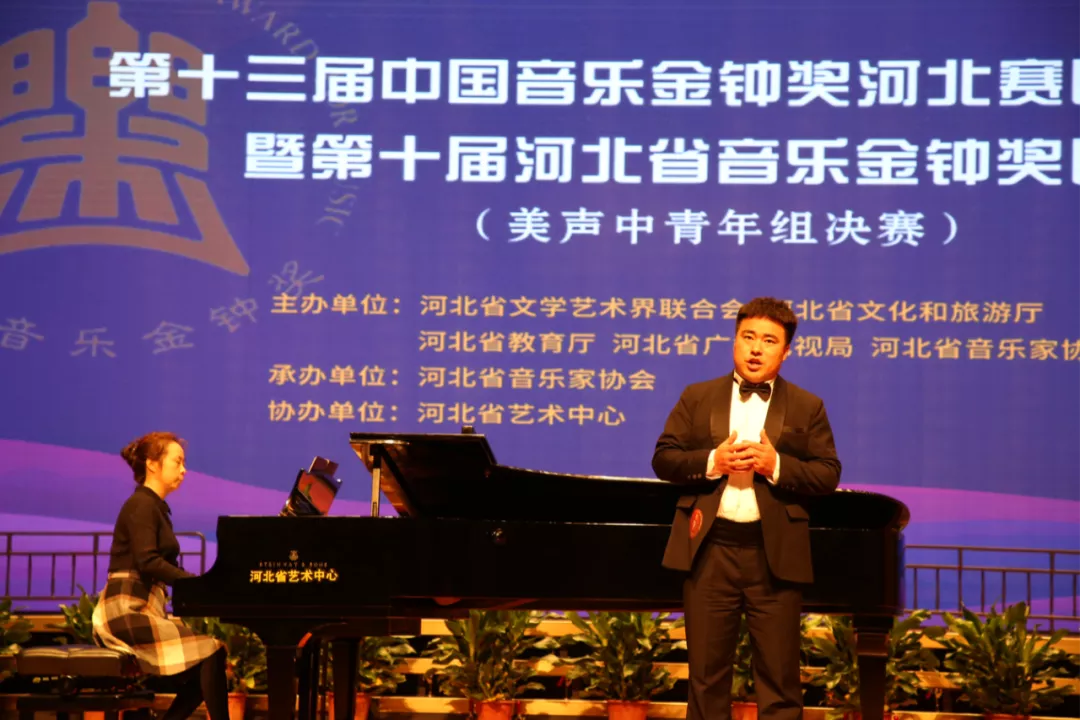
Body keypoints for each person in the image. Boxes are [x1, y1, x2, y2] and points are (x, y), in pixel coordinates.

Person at [652, 297, 841, 720]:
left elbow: (828, 474)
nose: (756, 348)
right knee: (705, 677)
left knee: (779, 679)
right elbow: (664, 459)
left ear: (785, 351)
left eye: (769, 341)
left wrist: (776, 465)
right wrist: (712, 462)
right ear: (734, 341)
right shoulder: (698, 396)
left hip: (773, 555)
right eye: (748, 337)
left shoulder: (808, 405)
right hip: (710, 549)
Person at [92, 431, 228, 720]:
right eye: (177, 462)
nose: (184, 470)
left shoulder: (154, 506)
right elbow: (148, 561)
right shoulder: (141, 504)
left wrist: (193, 585)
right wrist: (195, 583)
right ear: (152, 464)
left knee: (207, 662)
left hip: (144, 607)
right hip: (126, 610)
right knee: (212, 653)